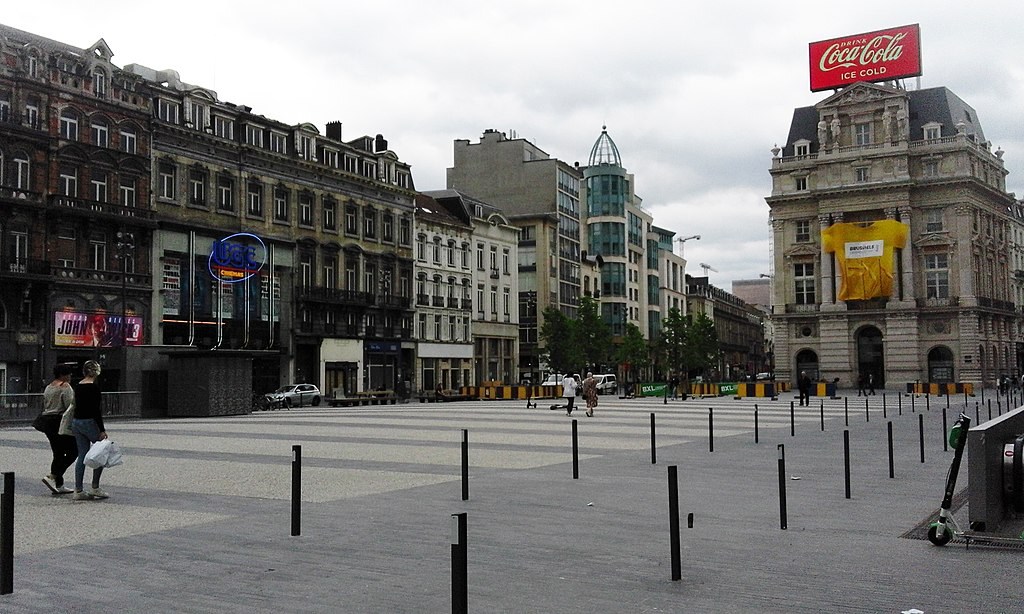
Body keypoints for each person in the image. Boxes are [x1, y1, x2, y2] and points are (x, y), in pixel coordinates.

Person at [70, 360, 109, 501]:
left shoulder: (77, 386)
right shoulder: (94, 388)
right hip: (89, 422)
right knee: (100, 451)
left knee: (82, 455)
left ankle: (78, 489)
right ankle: (95, 487)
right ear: (96, 372)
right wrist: (102, 429)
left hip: (76, 422)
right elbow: (96, 410)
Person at [37, 364, 78, 495]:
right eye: (69, 374)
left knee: (58, 452)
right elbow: (69, 406)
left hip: (47, 422)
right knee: (73, 451)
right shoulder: (65, 387)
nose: (70, 377)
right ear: (63, 375)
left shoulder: (49, 387)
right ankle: (53, 476)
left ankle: (59, 484)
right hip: (60, 422)